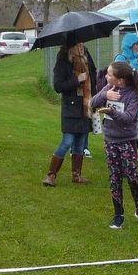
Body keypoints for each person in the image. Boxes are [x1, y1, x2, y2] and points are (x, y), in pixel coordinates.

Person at [90, 61, 138, 229]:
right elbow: (92, 102)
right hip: (110, 140)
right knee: (115, 177)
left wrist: (111, 111)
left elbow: (129, 117)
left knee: (133, 176)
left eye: (110, 74)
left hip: (127, 140)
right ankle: (118, 214)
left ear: (119, 80)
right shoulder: (108, 88)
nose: (106, 76)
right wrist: (105, 96)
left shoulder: (133, 94)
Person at [43, 39, 96, 186]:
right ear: (70, 46)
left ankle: (76, 175)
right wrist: (76, 79)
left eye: (81, 44)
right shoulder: (63, 59)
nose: (81, 47)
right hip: (71, 107)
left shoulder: (86, 54)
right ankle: (51, 175)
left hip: (86, 105)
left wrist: (95, 99)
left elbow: (93, 75)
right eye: (77, 45)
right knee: (67, 141)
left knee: (80, 143)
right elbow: (58, 86)